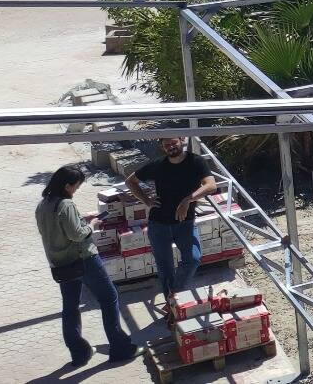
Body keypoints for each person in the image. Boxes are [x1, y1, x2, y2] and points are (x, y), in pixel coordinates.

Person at [37, 163, 138, 367]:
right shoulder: (66, 205)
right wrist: (91, 225)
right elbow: (76, 234)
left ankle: (79, 352)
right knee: (109, 298)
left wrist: (82, 219)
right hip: (84, 259)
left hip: (61, 264)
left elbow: (58, 228)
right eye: (76, 186)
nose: (77, 190)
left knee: (70, 307)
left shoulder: (43, 205)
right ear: (67, 186)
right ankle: (120, 347)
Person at [125, 137, 218, 306]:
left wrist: (188, 200)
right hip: (158, 224)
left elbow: (211, 186)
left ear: (181, 140)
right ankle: (173, 307)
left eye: (173, 142)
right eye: (166, 145)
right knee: (165, 269)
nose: (171, 147)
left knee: (193, 259)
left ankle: (174, 294)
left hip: (185, 224)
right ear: (162, 146)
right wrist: (146, 201)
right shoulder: (158, 165)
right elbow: (130, 181)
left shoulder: (195, 162)